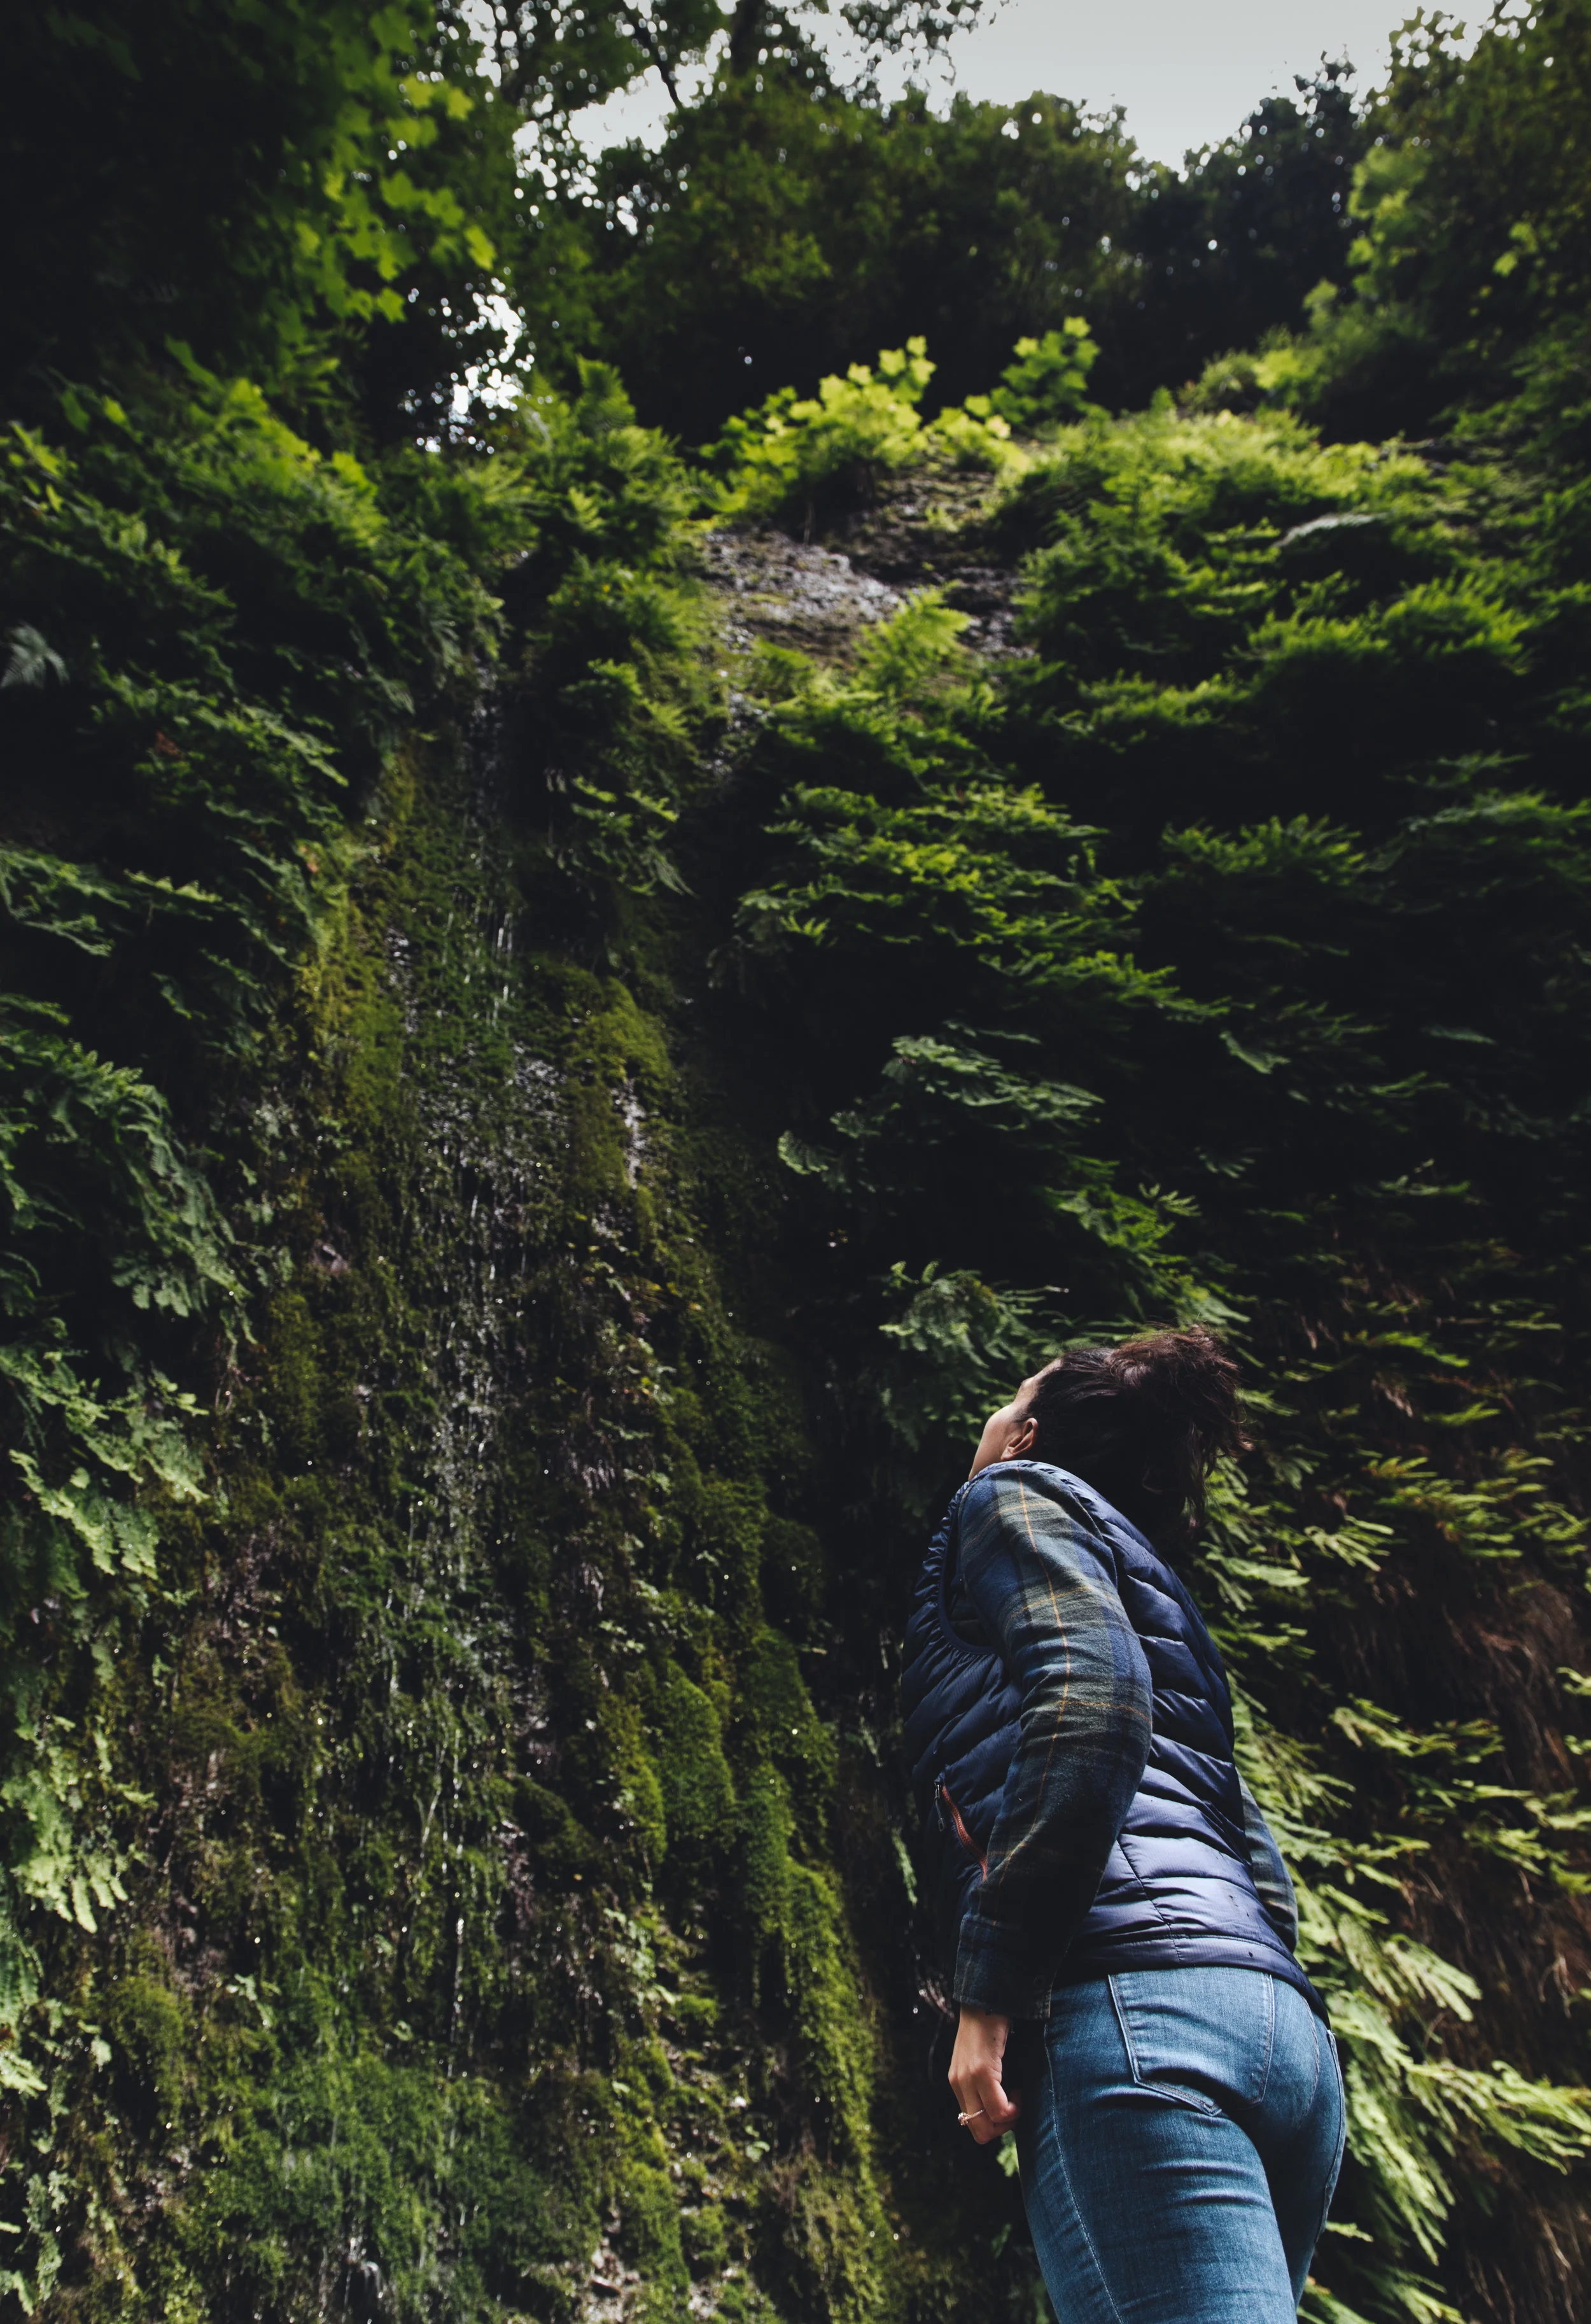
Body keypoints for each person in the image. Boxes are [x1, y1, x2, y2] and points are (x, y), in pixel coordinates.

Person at [899, 1328, 1344, 2324]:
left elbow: (1093, 1695)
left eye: (1008, 1400)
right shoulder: (1164, 1596)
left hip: (1136, 2021)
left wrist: (990, 1988)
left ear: (1025, 1436)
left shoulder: (1004, 1499)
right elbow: (1252, 1849)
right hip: (1279, 2032)